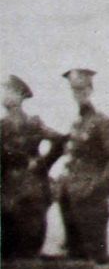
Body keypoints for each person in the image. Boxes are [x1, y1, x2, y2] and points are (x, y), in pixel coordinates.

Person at [56, 68, 109, 261]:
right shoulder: (77, 124)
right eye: (73, 89)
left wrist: (97, 188)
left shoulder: (103, 123)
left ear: (90, 89)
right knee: (74, 256)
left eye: (81, 89)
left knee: (95, 256)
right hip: (71, 198)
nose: (77, 94)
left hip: (91, 202)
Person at [1, 75, 66, 258]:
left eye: (8, 91)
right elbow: (60, 142)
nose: (3, 95)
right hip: (12, 194)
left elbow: (60, 141)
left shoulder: (33, 123)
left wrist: (41, 165)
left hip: (26, 196)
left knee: (22, 252)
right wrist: (42, 165)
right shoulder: (4, 125)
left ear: (20, 96)